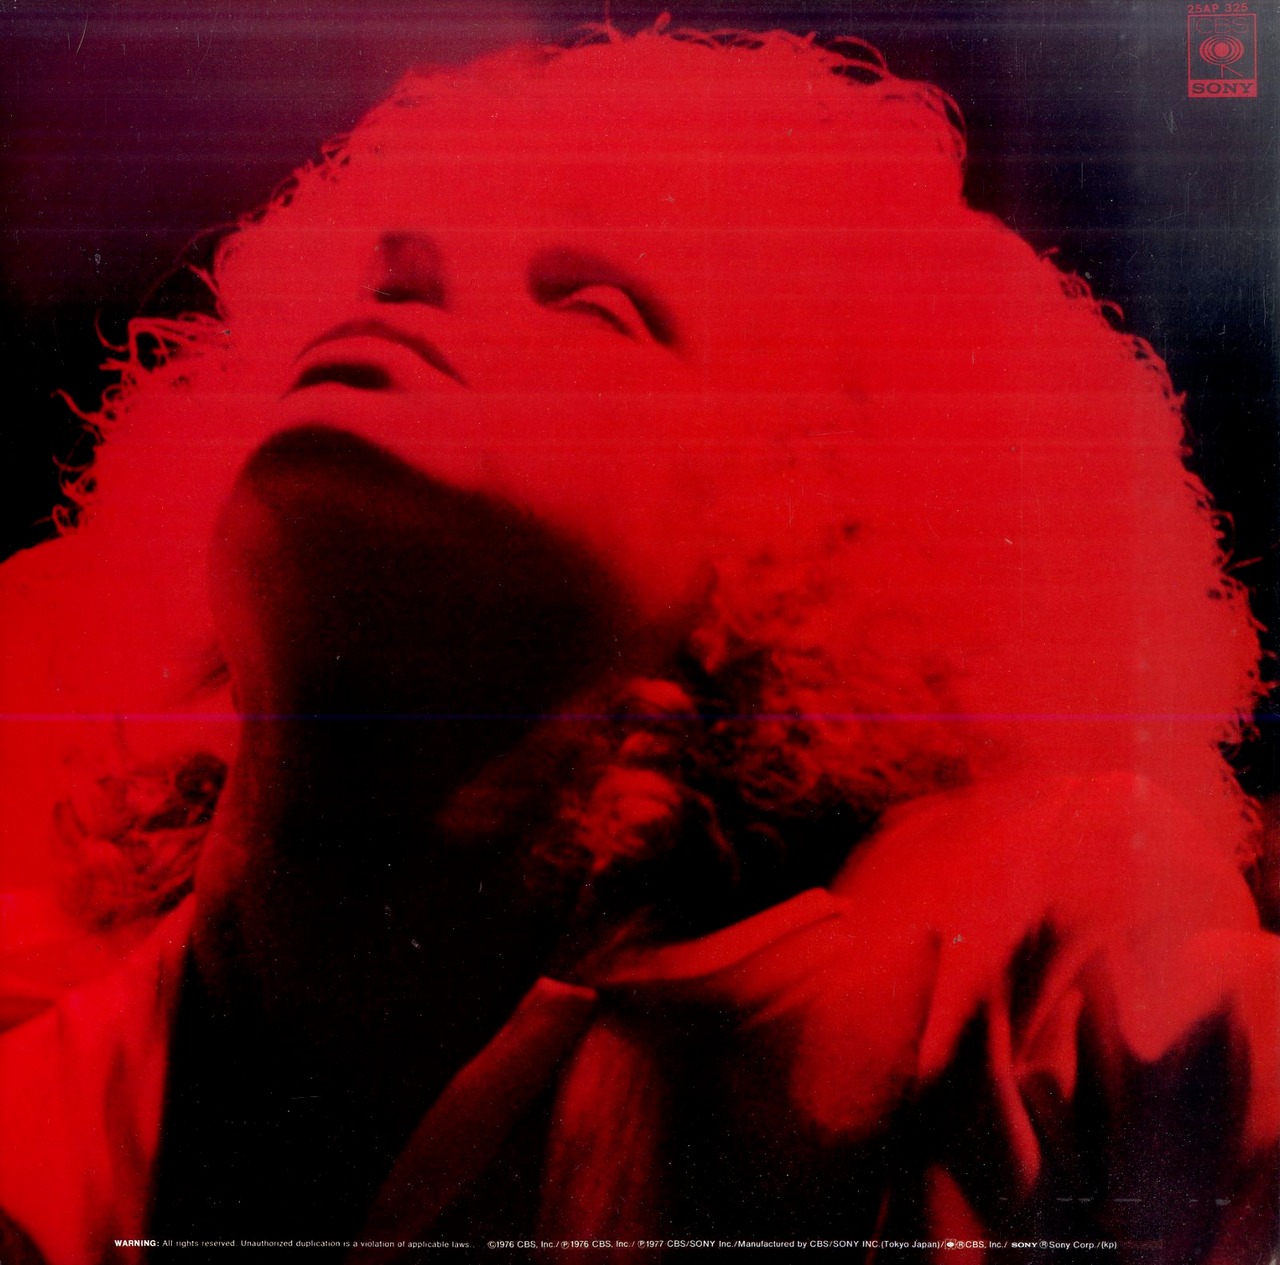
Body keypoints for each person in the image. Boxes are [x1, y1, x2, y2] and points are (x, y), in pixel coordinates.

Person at [0, 23, 1275, 1263]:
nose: (403, 253)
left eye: (595, 304)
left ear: (825, 529)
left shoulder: (1028, 983)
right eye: (393, 270)